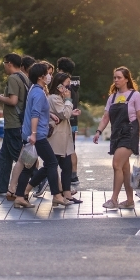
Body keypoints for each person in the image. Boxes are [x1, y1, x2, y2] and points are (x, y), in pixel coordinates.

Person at [14, 62, 71, 209]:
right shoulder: (39, 93)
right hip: (37, 135)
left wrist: (50, 114)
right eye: (48, 74)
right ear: (40, 76)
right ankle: (57, 195)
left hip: (31, 133)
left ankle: (20, 196)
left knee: (28, 166)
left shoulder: (35, 89)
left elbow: (37, 109)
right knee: (52, 163)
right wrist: (33, 134)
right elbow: (35, 114)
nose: (50, 76)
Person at [93, 67, 140, 209]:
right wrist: (98, 131)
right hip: (116, 135)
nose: (116, 80)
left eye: (119, 77)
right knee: (123, 168)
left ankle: (114, 199)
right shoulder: (112, 97)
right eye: (114, 77)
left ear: (126, 79)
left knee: (116, 164)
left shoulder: (135, 95)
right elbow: (106, 117)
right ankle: (130, 201)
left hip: (129, 134)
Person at [0, 53, 29, 197]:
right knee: (4, 156)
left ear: (10, 63)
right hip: (15, 123)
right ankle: (1, 186)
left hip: (14, 123)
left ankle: (40, 180)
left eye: (5, 63)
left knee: (20, 158)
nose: (4, 66)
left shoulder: (13, 78)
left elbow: (13, 101)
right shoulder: (24, 77)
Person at [47, 72, 82, 204]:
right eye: (66, 84)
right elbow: (64, 114)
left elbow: (64, 113)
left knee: (67, 166)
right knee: (49, 167)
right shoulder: (55, 98)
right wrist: (68, 100)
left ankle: (67, 194)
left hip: (64, 139)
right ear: (59, 85)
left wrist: (71, 111)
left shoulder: (59, 98)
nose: (68, 88)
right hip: (57, 138)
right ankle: (26, 189)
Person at [57, 57, 81, 184]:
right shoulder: (74, 85)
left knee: (68, 149)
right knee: (71, 148)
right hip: (74, 120)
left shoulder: (66, 87)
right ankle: (73, 174)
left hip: (67, 119)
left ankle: (72, 175)